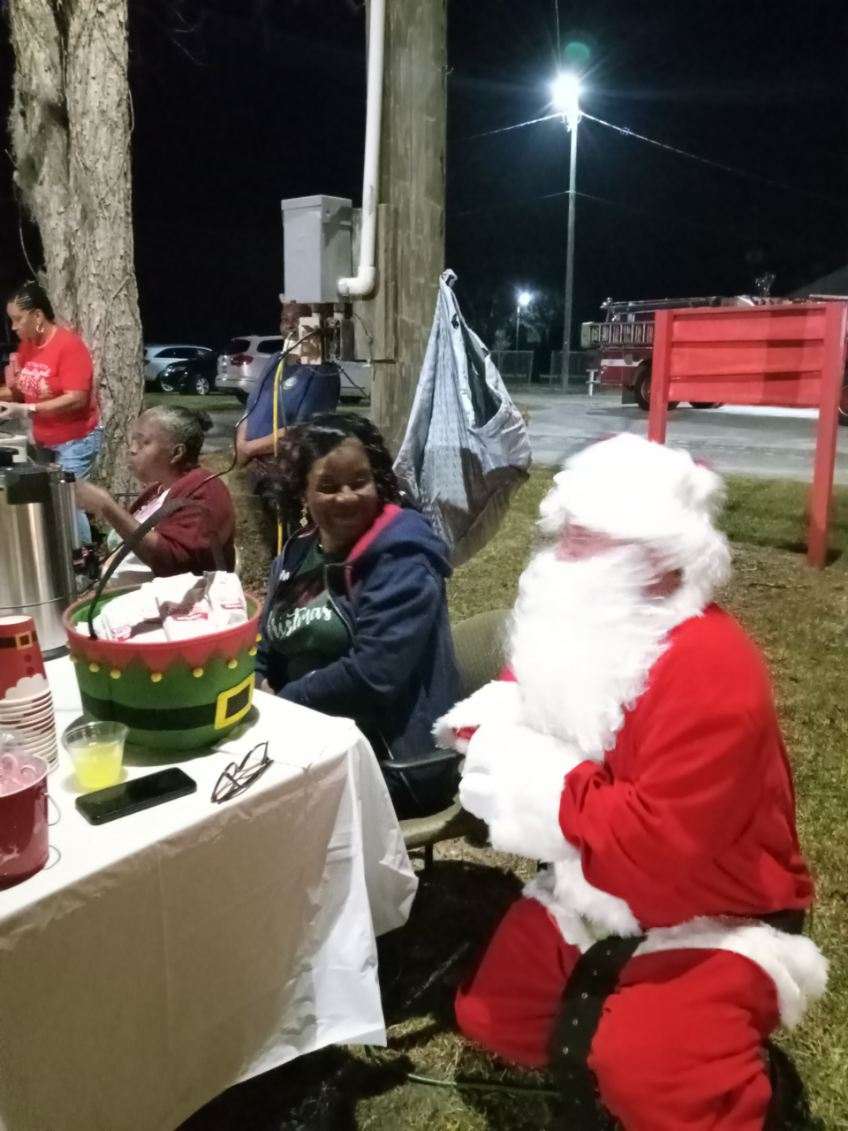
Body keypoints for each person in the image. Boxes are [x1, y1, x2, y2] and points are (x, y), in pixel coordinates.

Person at [435, 433, 826, 1130]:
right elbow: (525, 693)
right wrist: (489, 722)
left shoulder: (712, 669)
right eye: (565, 535)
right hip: (595, 879)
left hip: (714, 904)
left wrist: (534, 777)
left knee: (653, 1074)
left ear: (659, 557)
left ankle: (757, 1094)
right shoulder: (588, 623)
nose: (564, 557)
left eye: (588, 541)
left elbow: (660, 841)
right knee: (491, 1016)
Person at [255, 413, 461, 818]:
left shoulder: (403, 559)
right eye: (328, 487)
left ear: (379, 483)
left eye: (359, 482)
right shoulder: (297, 554)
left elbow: (373, 676)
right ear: (302, 493)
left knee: (250, 816)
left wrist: (283, 706)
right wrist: (255, 681)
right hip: (302, 735)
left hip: (392, 759)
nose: (347, 496)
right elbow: (265, 643)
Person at [74, 405, 235, 583]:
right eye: (132, 441)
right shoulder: (157, 490)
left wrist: (107, 506)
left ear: (176, 452)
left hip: (172, 606)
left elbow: (171, 561)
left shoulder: (206, 491)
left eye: (143, 443)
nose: (132, 449)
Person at [0, 280, 102, 541]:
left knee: (69, 501)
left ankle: (82, 563)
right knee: (49, 499)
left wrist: (26, 408)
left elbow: (77, 399)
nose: (13, 327)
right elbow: (20, 392)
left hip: (76, 440)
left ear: (37, 316)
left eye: (17, 319)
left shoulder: (69, 347)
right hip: (46, 439)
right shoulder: (27, 347)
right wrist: (13, 399)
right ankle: (58, 555)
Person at [236, 298, 341, 552]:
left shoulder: (322, 373)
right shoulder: (275, 361)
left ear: (314, 324)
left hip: (282, 475)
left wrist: (250, 448)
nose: (290, 327)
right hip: (252, 469)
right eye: (285, 320)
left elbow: (303, 430)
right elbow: (252, 406)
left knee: (283, 543)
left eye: (298, 320)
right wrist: (241, 442)